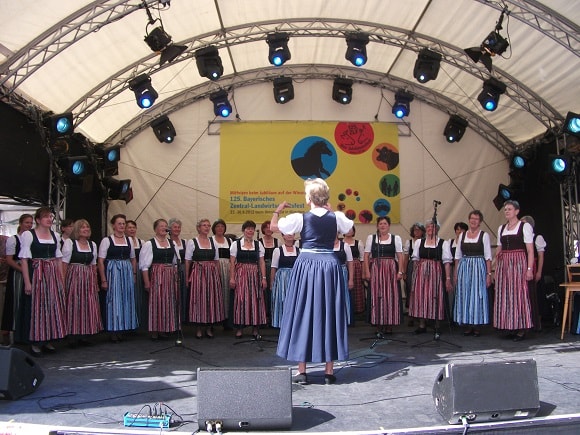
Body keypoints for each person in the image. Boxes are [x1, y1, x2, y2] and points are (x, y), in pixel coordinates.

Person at [271, 178, 353, 385]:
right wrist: (331, 210)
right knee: (329, 313)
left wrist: (277, 210)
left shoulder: (300, 218)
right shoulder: (337, 217)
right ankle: (328, 371)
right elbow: (347, 228)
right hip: (328, 265)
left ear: (309, 198)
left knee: (303, 312)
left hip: (307, 264)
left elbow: (273, 227)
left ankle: (302, 371)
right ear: (326, 198)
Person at [20, 207, 68, 356]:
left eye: (51, 217)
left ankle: (48, 339)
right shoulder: (29, 235)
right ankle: (35, 342)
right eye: (46, 217)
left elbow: (59, 259)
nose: (49, 219)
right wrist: (27, 282)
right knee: (37, 307)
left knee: (52, 305)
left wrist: (60, 279)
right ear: (38, 220)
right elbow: (24, 259)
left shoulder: (55, 235)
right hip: (37, 272)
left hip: (51, 273)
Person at [494, 201, 534, 341]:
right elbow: (499, 248)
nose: (507, 211)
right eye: (505, 209)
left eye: (509, 209)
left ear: (517, 211)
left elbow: (530, 250)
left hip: (518, 262)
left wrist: (529, 269)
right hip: (504, 264)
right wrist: (497, 258)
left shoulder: (524, 226)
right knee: (506, 295)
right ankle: (510, 326)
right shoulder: (502, 228)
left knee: (518, 294)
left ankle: (521, 328)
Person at [98, 214, 138, 342]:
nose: (122, 226)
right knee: (114, 301)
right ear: (113, 225)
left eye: (123, 223)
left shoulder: (129, 240)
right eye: (119, 223)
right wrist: (104, 279)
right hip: (113, 271)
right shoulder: (107, 240)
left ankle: (123, 328)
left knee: (126, 300)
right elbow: (100, 261)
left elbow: (133, 259)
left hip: (126, 271)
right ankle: (113, 330)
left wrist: (134, 274)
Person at [62, 219, 102, 346]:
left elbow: (94, 265)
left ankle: (85, 334)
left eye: (87, 227)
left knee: (87, 305)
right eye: (83, 227)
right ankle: (73, 335)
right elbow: (64, 265)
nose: (86, 229)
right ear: (77, 230)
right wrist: (62, 283)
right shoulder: (70, 243)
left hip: (88, 277)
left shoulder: (92, 245)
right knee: (74, 305)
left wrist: (95, 282)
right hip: (74, 276)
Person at [139, 219, 180, 341]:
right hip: (157, 275)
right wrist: (147, 282)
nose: (164, 228)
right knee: (157, 302)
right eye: (161, 226)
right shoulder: (149, 244)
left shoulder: (172, 243)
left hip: (170, 275)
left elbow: (176, 262)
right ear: (155, 229)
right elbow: (144, 266)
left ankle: (165, 328)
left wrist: (176, 277)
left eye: (165, 226)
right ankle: (155, 330)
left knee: (168, 302)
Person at [409, 219, 453, 334]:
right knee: (421, 296)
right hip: (421, 273)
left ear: (437, 229)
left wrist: (448, 278)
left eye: (432, 227)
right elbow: (415, 260)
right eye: (428, 227)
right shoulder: (419, 242)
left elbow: (447, 262)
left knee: (435, 296)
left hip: (436, 273)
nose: (430, 229)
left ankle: (437, 324)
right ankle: (422, 324)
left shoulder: (443, 243)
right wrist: (414, 275)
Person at [363, 216, 404, 336]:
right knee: (377, 295)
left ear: (389, 225)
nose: (382, 226)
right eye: (380, 224)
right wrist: (367, 271)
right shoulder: (372, 238)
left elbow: (400, 256)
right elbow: (366, 256)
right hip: (376, 268)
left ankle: (389, 324)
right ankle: (378, 323)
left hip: (390, 269)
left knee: (390, 296)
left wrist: (400, 271)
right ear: (377, 226)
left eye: (385, 223)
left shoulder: (396, 238)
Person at [453, 210, 492, 337]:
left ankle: (477, 325)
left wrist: (488, 274)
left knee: (477, 295)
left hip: (478, 267)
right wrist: (456, 273)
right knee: (466, 295)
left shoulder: (484, 235)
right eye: (472, 218)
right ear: (469, 220)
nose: (474, 221)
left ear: (480, 222)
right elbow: (457, 256)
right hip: (464, 267)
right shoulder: (463, 236)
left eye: (476, 219)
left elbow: (488, 257)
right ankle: (468, 324)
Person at [185, 218, 225, 338]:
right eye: (204, 225)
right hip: (198, 273)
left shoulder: (213, 242)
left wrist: (218, 276)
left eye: (208, 225)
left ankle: (208, 327)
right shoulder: (192, 242)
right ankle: (199, 328)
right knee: (198, 299)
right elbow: (187, 261)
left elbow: (216, 261)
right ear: (198, 228)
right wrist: (187, 277)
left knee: (211, 300)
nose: (206, 227)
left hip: (212, 274)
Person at [229, 220, 267, 339]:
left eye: (252, 228)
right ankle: (239, 328)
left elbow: (261, 262)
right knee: (241, 299)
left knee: (256, 299)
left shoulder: (258, 244)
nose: (250, 231)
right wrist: (232, 278)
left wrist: (264, 278)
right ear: (243, 230)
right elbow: (232, 262)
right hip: (241, 274)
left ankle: (255, 328)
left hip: (255, 274)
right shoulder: (236, 244)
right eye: (248, 228)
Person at [0, 213, 33, 346]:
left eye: (31, 223)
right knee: (15, 301)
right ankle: (11, 331)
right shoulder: (14, 239)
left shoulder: (31, 239)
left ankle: (25, 330)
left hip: (29, 272)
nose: (29, 225)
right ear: (20, 223)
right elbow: (9, 260)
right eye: (27, 223)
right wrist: (22, 270)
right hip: (17, 274)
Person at [520, 215, 546, 332]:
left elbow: (540, 256)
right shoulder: (521, 239)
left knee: (536, 294)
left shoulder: (537, 237)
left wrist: (539, 272)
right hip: (522, 267)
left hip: (534, 267)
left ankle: (537, 320)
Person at [270, 233, 300, 328]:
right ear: (283, 236)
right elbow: (273, 268)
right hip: (282, 279)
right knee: (282, 300)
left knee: (295, 301)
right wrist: (272, 283)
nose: (290, 235)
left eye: (292, 233)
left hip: (295, 278)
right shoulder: (278, 250)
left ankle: (295, 325)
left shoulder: (299, 250)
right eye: (287, 233)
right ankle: (282, 324)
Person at [211, 219, 233, 330]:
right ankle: (214, 319)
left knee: (226, 293)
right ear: (214, 228)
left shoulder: (229, 240)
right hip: (215, 267)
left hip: (227, 267)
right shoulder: (211, 240)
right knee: (215, 293)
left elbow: (233, 256)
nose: (220, 228)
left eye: (222, 226)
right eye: (218, 226)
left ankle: (226, 319)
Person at [403, 223, 425, 327]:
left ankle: (422, 314)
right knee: (410, 289)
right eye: (415, 230)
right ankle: (411, 314)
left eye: (419, 230)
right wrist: (404, 271)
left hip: (423, 266)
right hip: (412, 266)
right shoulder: (409, 242)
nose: (417, 232)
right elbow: (406, 258)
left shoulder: (425, 242)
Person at [125, 220, 146, 330]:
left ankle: (139, 321)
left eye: (134, 227)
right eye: (129, 227)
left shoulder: (141, 242)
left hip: (139, 269)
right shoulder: (124, 241)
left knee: (139, 295)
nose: (132, 229)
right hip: (127, 268)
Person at [343, 226, 365, 317]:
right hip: (343, 266)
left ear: (354, 231)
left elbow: (362, 258)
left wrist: (363, 272)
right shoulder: (340, 243)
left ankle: (358, 309)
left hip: (356, 267)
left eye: (350, 229)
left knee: (357, 287)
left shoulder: (358, 243)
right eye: (346, 229)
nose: (348, 231)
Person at [168, 218, 188, 324]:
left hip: (183, 270)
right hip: (172, 270)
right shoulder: (166, 242)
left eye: (178, 227)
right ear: (169, 229)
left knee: (182, 294)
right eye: (175, 227)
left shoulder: (185, 242)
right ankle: (172, 319)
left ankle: (181, 319)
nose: (177, 229)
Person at [259, 220, 278, 325]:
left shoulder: (277, 241)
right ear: (263, 229)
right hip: (262, 269)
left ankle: (272, 316)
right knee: (263, 293)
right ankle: (263, 317)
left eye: (270, 227)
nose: (268, 229)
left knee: (273, 292)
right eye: (266, 227)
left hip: (274, 269)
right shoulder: (259, 242)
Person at [447, 222, 468, 318]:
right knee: (452, 292)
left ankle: (462, 315)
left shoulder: (467, 242)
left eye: (462, 229)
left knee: (462, 292)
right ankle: (452, 315)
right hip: (452, 269)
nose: (459, 231)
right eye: (458, 229)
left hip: (464, 268)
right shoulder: (450, 242)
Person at [334, 232, 354, 325]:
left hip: (341, 274)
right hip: (328, 275)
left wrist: (351, 279)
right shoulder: (324, 246)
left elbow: (350, 263)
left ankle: (342, 320)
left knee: (341, 297)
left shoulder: (345, 246)